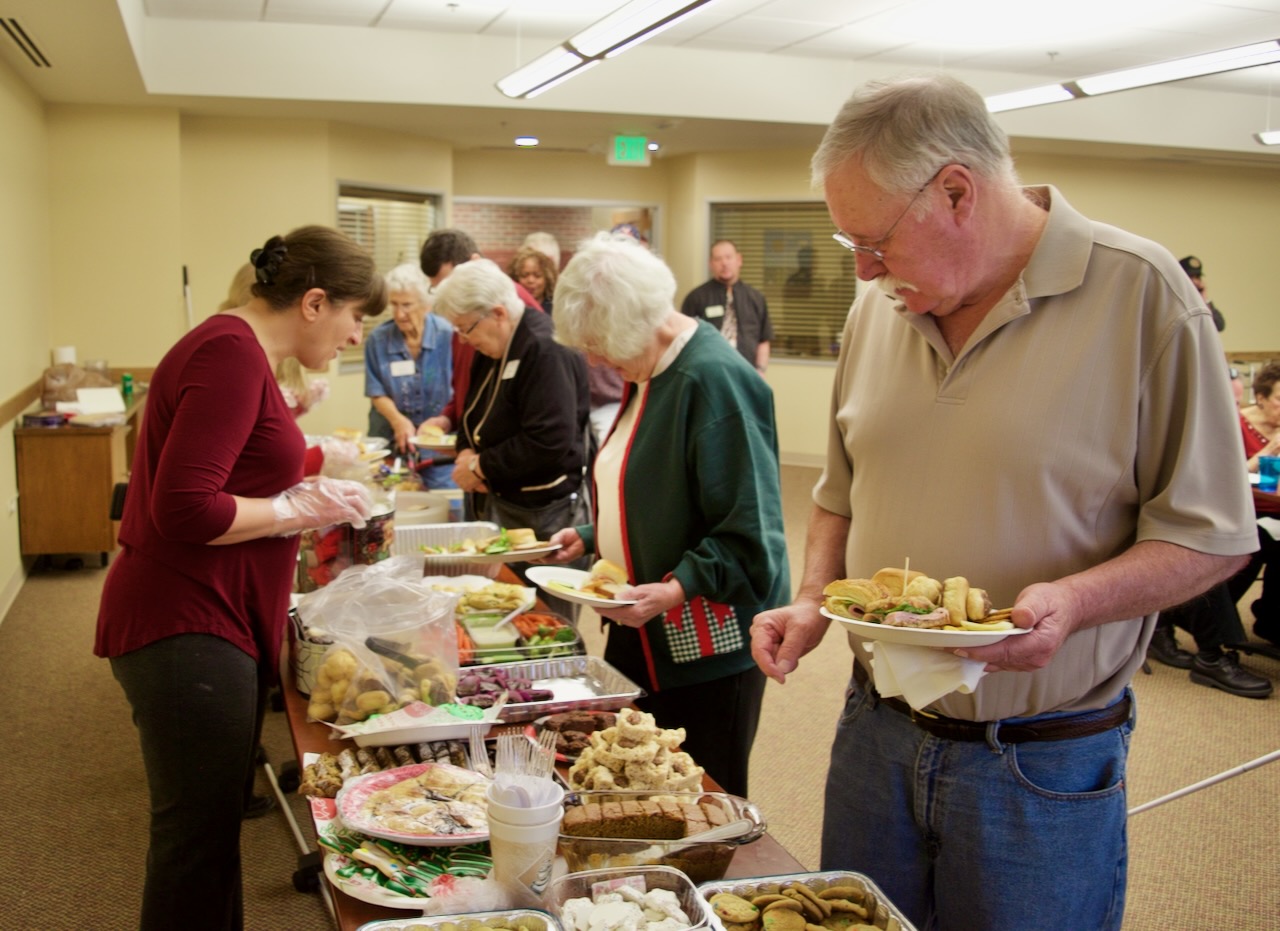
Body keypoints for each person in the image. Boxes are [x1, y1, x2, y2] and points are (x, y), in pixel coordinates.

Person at [749, 75, 1255, 931]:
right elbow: (839, 488)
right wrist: (812, 597)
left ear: (956, 191)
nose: (863, 269)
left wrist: (1075, 601)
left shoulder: (1145, 295)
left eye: (874, 241)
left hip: (1037, 758)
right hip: (873, 733)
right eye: (849, 243)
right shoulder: (876, 309)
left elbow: (1214, 537)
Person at [95, 226, 382, 931]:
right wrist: (292, 507)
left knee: (213, 837)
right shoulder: (229, 352)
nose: (353, 338)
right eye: (354, 317)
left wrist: (301, 491)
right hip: (184, 623)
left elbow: (232, 470)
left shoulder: (240, 351)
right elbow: (185, 506)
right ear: (314, 302)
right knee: (195, 845)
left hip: (208, 614)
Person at [544, 232, 790, 797]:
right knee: (633, 787)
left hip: (704, 643)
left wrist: (677, 588)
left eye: (601, 347)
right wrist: (590, 537)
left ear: (643, 323)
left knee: (699, 795)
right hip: (642, 618)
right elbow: (655, 488)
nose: (596, 361)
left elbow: (752, 538)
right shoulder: (649, 367)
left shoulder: (714, 380)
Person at [430, 258, 590, 610]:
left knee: (542, 616)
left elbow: (549, 440)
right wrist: (463, 453)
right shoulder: (494, 344)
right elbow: (470, 414)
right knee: (500, 605)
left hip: (542, 512)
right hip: (501, 503)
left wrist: (479, 467)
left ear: (498, 313)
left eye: (465, 328)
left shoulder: (544, 347)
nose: (464, 339)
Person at [363, 262, 455, 488]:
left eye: (406, 305)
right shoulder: (378, 339)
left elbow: (461, 387)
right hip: (392, 444)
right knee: (392, 510)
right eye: (393, 304)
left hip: (438, 449)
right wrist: (398, 420)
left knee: (444, 509)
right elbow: (376, 391)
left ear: (426, 306)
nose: (398, 313)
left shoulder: (448, 335)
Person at [1229, 361, 1280, 646]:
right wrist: (1269, 450)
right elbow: (1228, 478)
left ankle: (1270, 619)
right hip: (1248, 511)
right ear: (1260, 398)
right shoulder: (1238, 424)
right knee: (1264, 540)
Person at [681, 239, 773, 373]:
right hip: (708, 372)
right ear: (710, 264)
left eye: (729, 257)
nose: (724, 263)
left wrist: (760, 371)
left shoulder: (756, 298)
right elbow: (684, 341)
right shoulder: (696, 298)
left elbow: (763, 340)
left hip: (746, 372)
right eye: (718, 259)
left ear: (739, 260)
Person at [1179, 255, 1226, 331]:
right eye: (1190, 277)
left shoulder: (1201, 304)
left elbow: (1219, 325)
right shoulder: (1175, 301)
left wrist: (1204, 300)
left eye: (1197, 277)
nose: (1195, 281)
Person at [508, 246, 557, 314]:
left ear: (547, 279)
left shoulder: (556, 306)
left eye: (537, 276)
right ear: (516, 278)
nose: (531, 280)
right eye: (524, 275)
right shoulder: (510, 307)